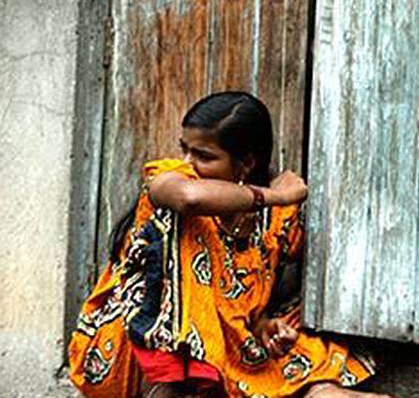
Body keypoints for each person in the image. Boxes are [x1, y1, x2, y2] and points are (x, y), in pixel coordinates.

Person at [68, 92, 391, 398]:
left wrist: (266, 326)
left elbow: (242, 301)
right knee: (186, 230)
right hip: (138, 347)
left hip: (230, 348)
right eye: (185, 149)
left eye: (204, 156)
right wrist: (276, 196)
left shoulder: (274, 224)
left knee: (311, 347)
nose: (188, 162)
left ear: (246, 162)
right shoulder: (170, 181)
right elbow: (189, 198)